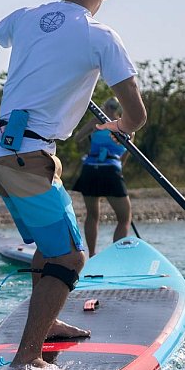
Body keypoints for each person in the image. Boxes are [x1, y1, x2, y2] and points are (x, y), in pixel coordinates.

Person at [0, 0, 147, 370]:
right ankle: (26, 358)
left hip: (1, 153)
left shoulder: (26, 16)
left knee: (50, 250)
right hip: (29, 157)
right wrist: (118, 125)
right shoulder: (101, 36)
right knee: (71, 258)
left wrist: (14, 27)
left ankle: (47, 324)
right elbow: (137, 114)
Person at [71, 97, 133, 257]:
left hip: (90, 169)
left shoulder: (96, 122)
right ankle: (117, 257)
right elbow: (126, 155)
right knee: (124, 218)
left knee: (92, 215)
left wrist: (92, 133)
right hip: (111, 170)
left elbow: (77, 138)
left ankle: (91, 255)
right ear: (120, 109)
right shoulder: (128, 127)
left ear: (104, 107)